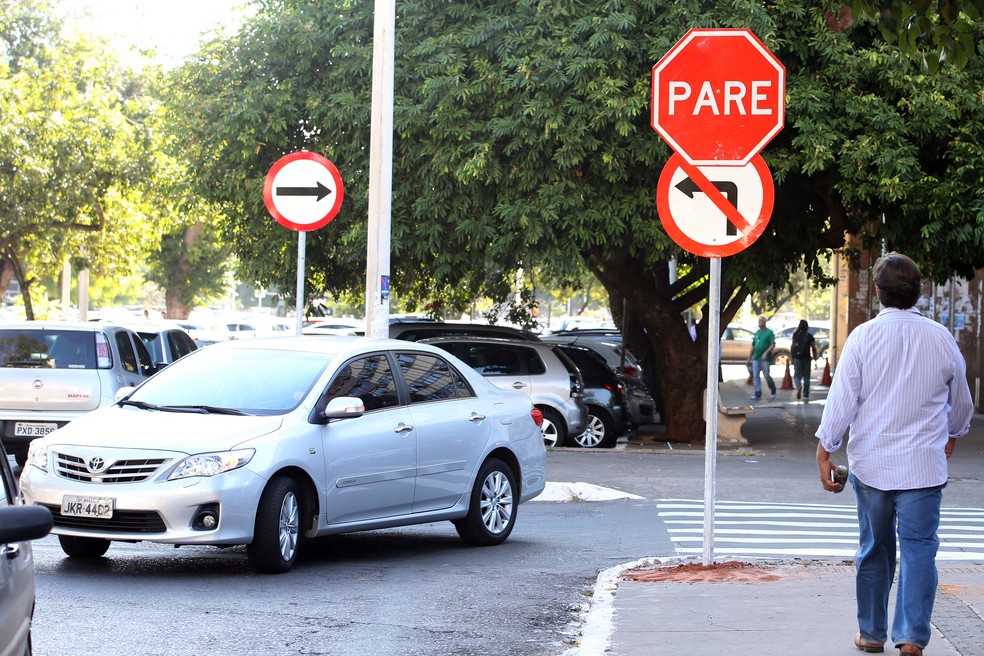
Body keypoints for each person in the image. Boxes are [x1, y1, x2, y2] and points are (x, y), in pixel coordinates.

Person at [814, 252, 973, 656]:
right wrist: (952, 433)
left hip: (872, 466)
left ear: (879, 294)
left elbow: (841, 401)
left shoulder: (863, 337)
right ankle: (912, 638)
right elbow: (964, 403)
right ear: (918, 293)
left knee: (874, 549)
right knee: (920, 550)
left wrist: (825, 449)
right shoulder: (941, 337)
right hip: (924, 466)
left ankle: (871, 634)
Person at [747, 315, 776, 400]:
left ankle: (772, 388)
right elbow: (753, 345)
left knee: (766, 375)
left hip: (765, 359)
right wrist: (749, 357)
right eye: (758, 321)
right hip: (756, 358)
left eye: (760, 321)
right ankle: (757, 393)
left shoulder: (769, 332)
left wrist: (766, 353)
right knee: (756, 375)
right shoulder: (757, 333)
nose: (759, 323)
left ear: (764, 322)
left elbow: (773, 344)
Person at [790, 319, 818, 401]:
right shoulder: (810, 336)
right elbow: (814, 348)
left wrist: (792, 358)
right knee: (806, 377)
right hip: (807, 358)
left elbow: (792, 347)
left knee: (796, 375)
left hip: (797, 358)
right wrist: (815, 359)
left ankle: (798, 386)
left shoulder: (795, 335)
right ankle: (806, 396)